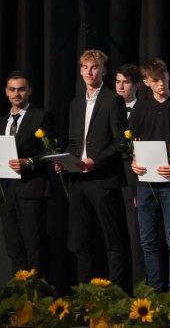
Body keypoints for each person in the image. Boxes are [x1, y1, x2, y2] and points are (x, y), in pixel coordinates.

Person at [60, 50, 129, 286]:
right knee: (81, 242)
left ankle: (115, 294)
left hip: (103, 181)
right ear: (80, 71)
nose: (89, 72)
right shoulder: (75, 103)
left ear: (103, 71)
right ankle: (85, 294)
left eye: (94, 67)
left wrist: (95, 161)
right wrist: (63, 162)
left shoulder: (113, 100)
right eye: (85, 67)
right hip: (79, 181)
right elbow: (73, 143)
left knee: (113, 241)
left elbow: (121, 142)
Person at [129, 59, 170, 292]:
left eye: (164, 78)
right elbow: (135, 143)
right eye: (156, 80)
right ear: (146, 82)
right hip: (146, 183)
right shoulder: (140, 108)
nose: (161, 84)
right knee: (148, 240)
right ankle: (156, 291)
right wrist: (135, 162)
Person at [1, 71, 55, 274]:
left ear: (29, 91)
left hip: (32, 190)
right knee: (14, 248)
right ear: (6, 92)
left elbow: (51, 150)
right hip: (7, 192)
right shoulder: (2, 121)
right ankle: (19, 291)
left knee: (34, 247)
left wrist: (30, 162)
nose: (17, 94)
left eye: (21, 89)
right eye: (12, 89)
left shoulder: (41, 116)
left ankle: (37, 292)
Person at [114, 64, 146, 286]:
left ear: (137, 85)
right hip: (110, 183)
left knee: (137, 242)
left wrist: (136, 189)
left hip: (133, 184)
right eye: (117, 82)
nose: (120, 86)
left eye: (125, 82)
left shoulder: (143, 110)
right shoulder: (108, 107)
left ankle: (140, 290)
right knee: (116, 242)